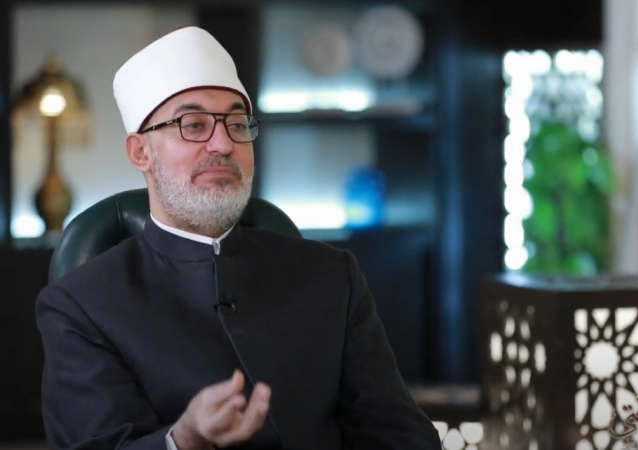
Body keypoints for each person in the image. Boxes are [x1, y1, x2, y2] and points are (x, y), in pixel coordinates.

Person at [35, 26, 442, 450]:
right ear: (141, 152)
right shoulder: (81, 304)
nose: (223, 144)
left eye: (237, 124)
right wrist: (184, 439)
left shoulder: (333, 275)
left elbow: (398, 433)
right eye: (194, 125)